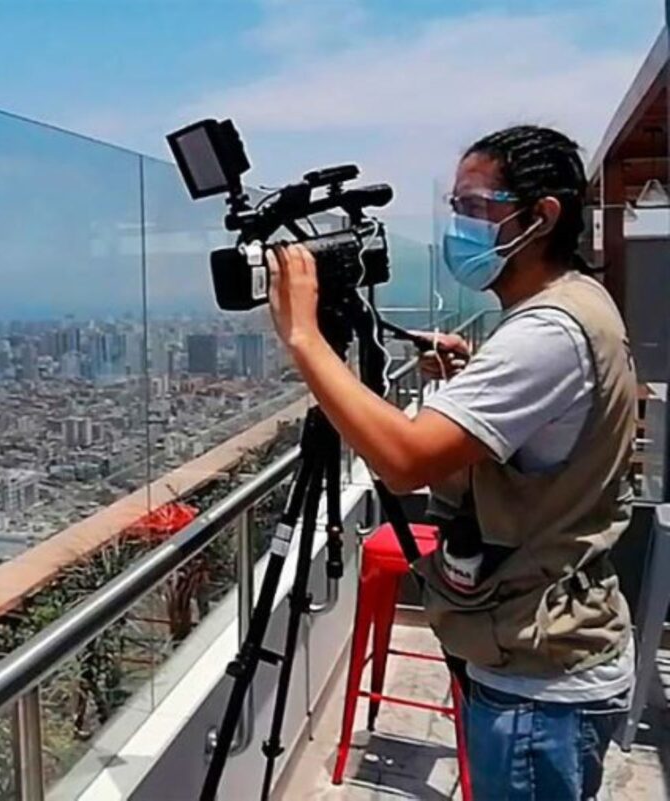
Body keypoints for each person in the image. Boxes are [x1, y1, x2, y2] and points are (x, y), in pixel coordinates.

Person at [266, 124, 635, 800]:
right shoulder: (578, 306)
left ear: (540, 216)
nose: (457, 225)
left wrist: (302, 334)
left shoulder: (547, 332)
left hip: (537, 682)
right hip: (549, 657)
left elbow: (404, 461)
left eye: (473, 206)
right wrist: (479, 380)